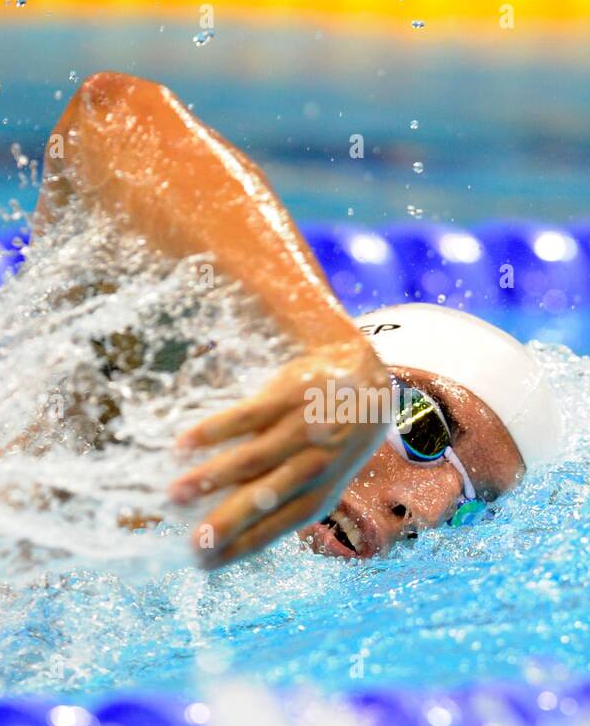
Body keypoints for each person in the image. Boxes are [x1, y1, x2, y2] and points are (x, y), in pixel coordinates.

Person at [33, 72, 560, 569]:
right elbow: (111, 115)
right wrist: (325, 347)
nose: (422, 509)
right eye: (422, 426)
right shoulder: (152, 418)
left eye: (473, 504)